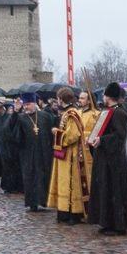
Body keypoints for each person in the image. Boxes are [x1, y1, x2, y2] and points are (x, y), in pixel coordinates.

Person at [87, 82, 127, 234]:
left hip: (114, 160)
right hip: (104, 157)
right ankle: (107, 222)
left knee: (114, 191)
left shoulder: (119, 113)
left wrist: (102, 140)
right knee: (106, 190)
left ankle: (117, 224)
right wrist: (93, 139)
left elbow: (120, 136)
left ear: (108, 97)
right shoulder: (108, 111)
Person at [47, 88, 93, 224]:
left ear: (61, 99)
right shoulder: (68, 112)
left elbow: (73, 135)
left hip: (72, 154)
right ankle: (64, 211)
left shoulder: (71, 113)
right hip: (66, 155)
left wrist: (57, 133)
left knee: (72, 183)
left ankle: (73, 213)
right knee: (64, 183)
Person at [7, 92, 55, 211]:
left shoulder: (45, 116)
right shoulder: (20, 117)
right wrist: (16, 112)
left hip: (44, 151)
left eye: (28, 104)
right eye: (25, 105)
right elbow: (11, 128)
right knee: (30, 177)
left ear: (34, 104)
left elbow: (52, 132)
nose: (26, 107)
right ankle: (32, 203)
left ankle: (44, 201)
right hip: (27, 152)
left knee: (44, 175)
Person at [0, 103, 23, 194]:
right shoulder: (10, 118)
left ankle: (18, 186)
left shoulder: (20, 118)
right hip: (9, 148)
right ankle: (10, 186)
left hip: (17, 148)